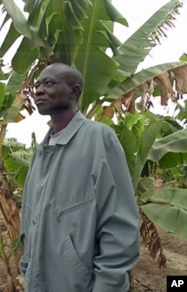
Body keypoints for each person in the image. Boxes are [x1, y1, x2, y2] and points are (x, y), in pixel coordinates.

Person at [20, 63, 140, 292]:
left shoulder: (98, 139)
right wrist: (27, 268)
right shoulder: (40, 152)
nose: (39, 90)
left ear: (74, 91)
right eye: (37, 85)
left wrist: (107, 285)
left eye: (49, 83)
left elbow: (119, 224)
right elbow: (30, 217)